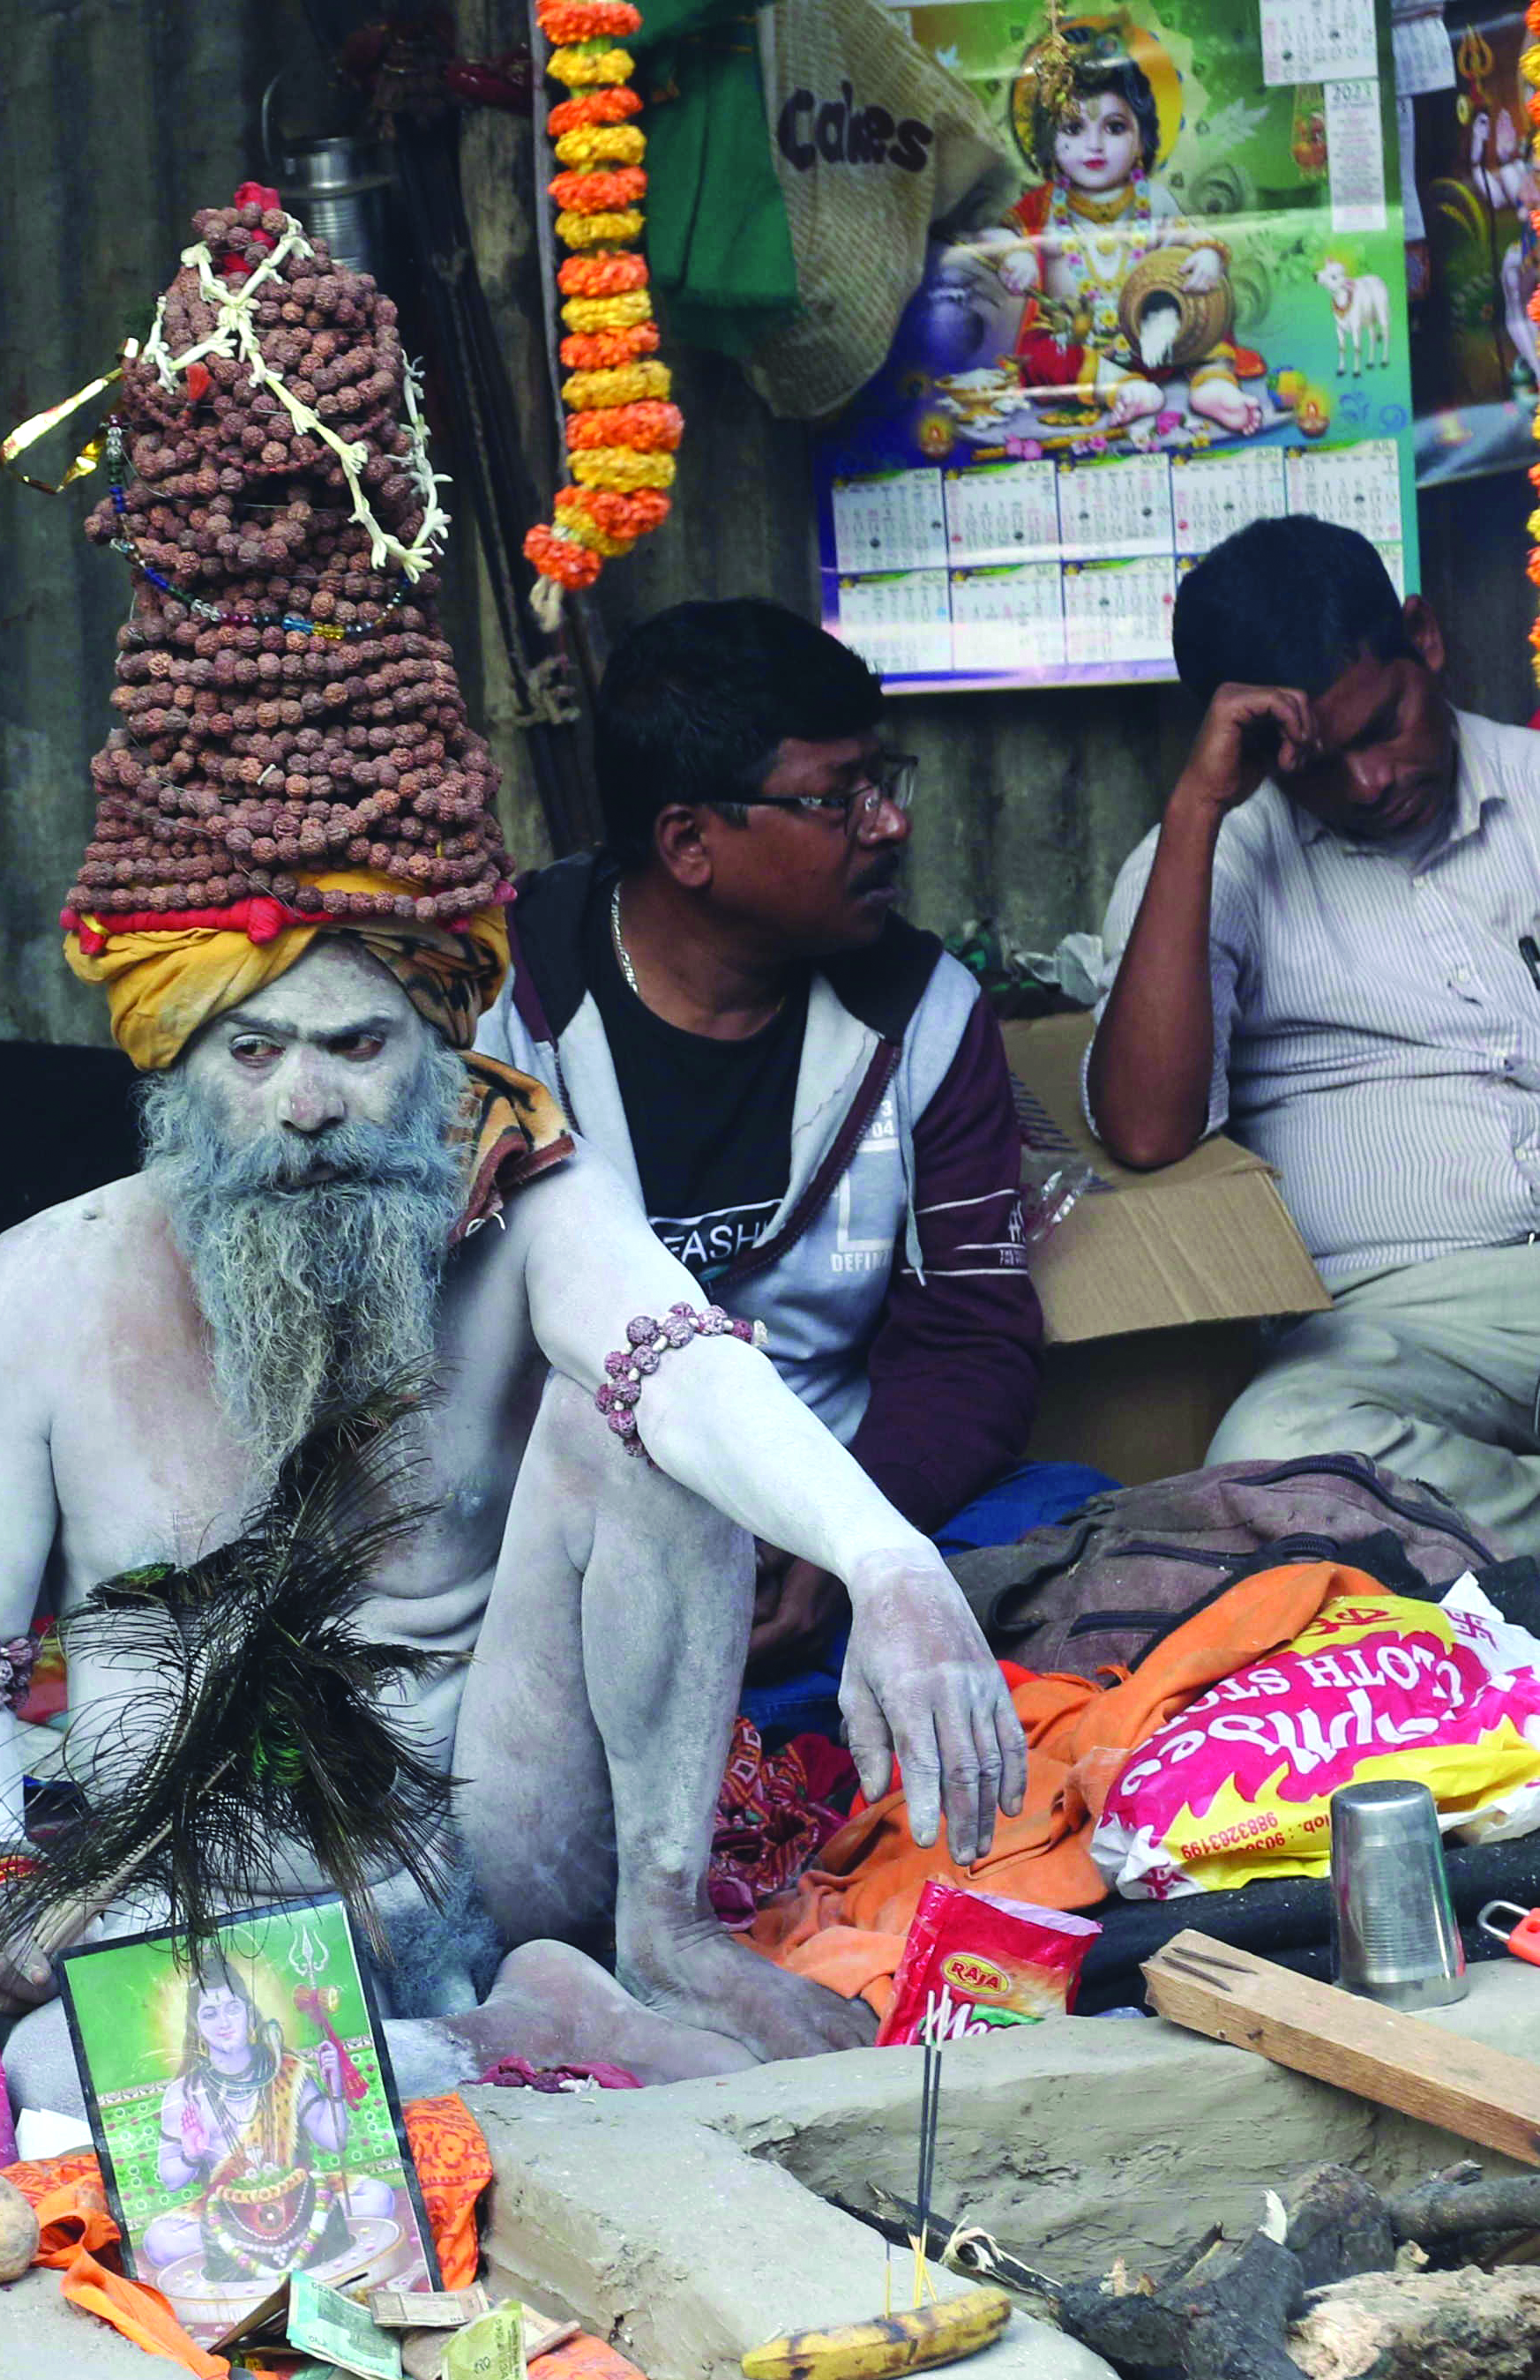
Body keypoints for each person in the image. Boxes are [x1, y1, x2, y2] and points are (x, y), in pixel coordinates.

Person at [0, 195, 1021, 2107]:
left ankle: (646, 1931)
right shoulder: (43, 1285)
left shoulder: (521, 1187)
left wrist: (890, 1559)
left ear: (443, 1041)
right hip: (213, 1862)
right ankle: (488, 2046)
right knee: (103, 2079)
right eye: (253, 1053)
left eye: (357, 1046)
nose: (311, 1098)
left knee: (634, 1407)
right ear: (173, 1056)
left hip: (512, 1814)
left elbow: (687, 1360)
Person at [476, 599, 1077, 1698]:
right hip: (562, 1522)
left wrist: (842, 1528)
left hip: (837, 1502)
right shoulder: (500, 1005)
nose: (888, 823)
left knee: (1069, 1520)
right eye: (836, 799)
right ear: (689, 841)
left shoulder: (926, 1011)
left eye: (881, 782)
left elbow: (972, 1339)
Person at [1088, 513, 1540, 1542]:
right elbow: (1147, 1132)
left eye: (1382, 728)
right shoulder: (1208, 862)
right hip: (1399, 1320)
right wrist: (1203, 807)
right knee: (1277, 1444)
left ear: (1424, 641)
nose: (1369, 784)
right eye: (1318, 763)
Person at [971, 11, 1263, 443]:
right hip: (1080, 343)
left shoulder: (1154, 199)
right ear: (1049, 139)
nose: (1093, 145)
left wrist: (1206, 257)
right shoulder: (1043, 205)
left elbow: (1197, 240)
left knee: (1211, 314)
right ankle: (1118, 388)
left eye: (1114, 127)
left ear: (1142, 139)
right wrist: (1013, 254)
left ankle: (1212, 385)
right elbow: (991, 238)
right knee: (1040, 354)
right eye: (1073, 127)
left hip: (1159, 337)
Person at [143, 1958, 392, 2290]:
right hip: (228, 2213)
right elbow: (171, 2179)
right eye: (209, 2013)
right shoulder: (185, 2092)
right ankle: (273, 2246)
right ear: (196, 2024)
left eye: (232, 2008)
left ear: (249, 2011)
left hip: (300, 2197)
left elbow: (334, 2141)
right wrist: (191, 2153)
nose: (223, 2022)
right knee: (160, 2242)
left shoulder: (286, 2069)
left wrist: (334, 2091)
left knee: (378, 2197)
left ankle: (265, 2249)